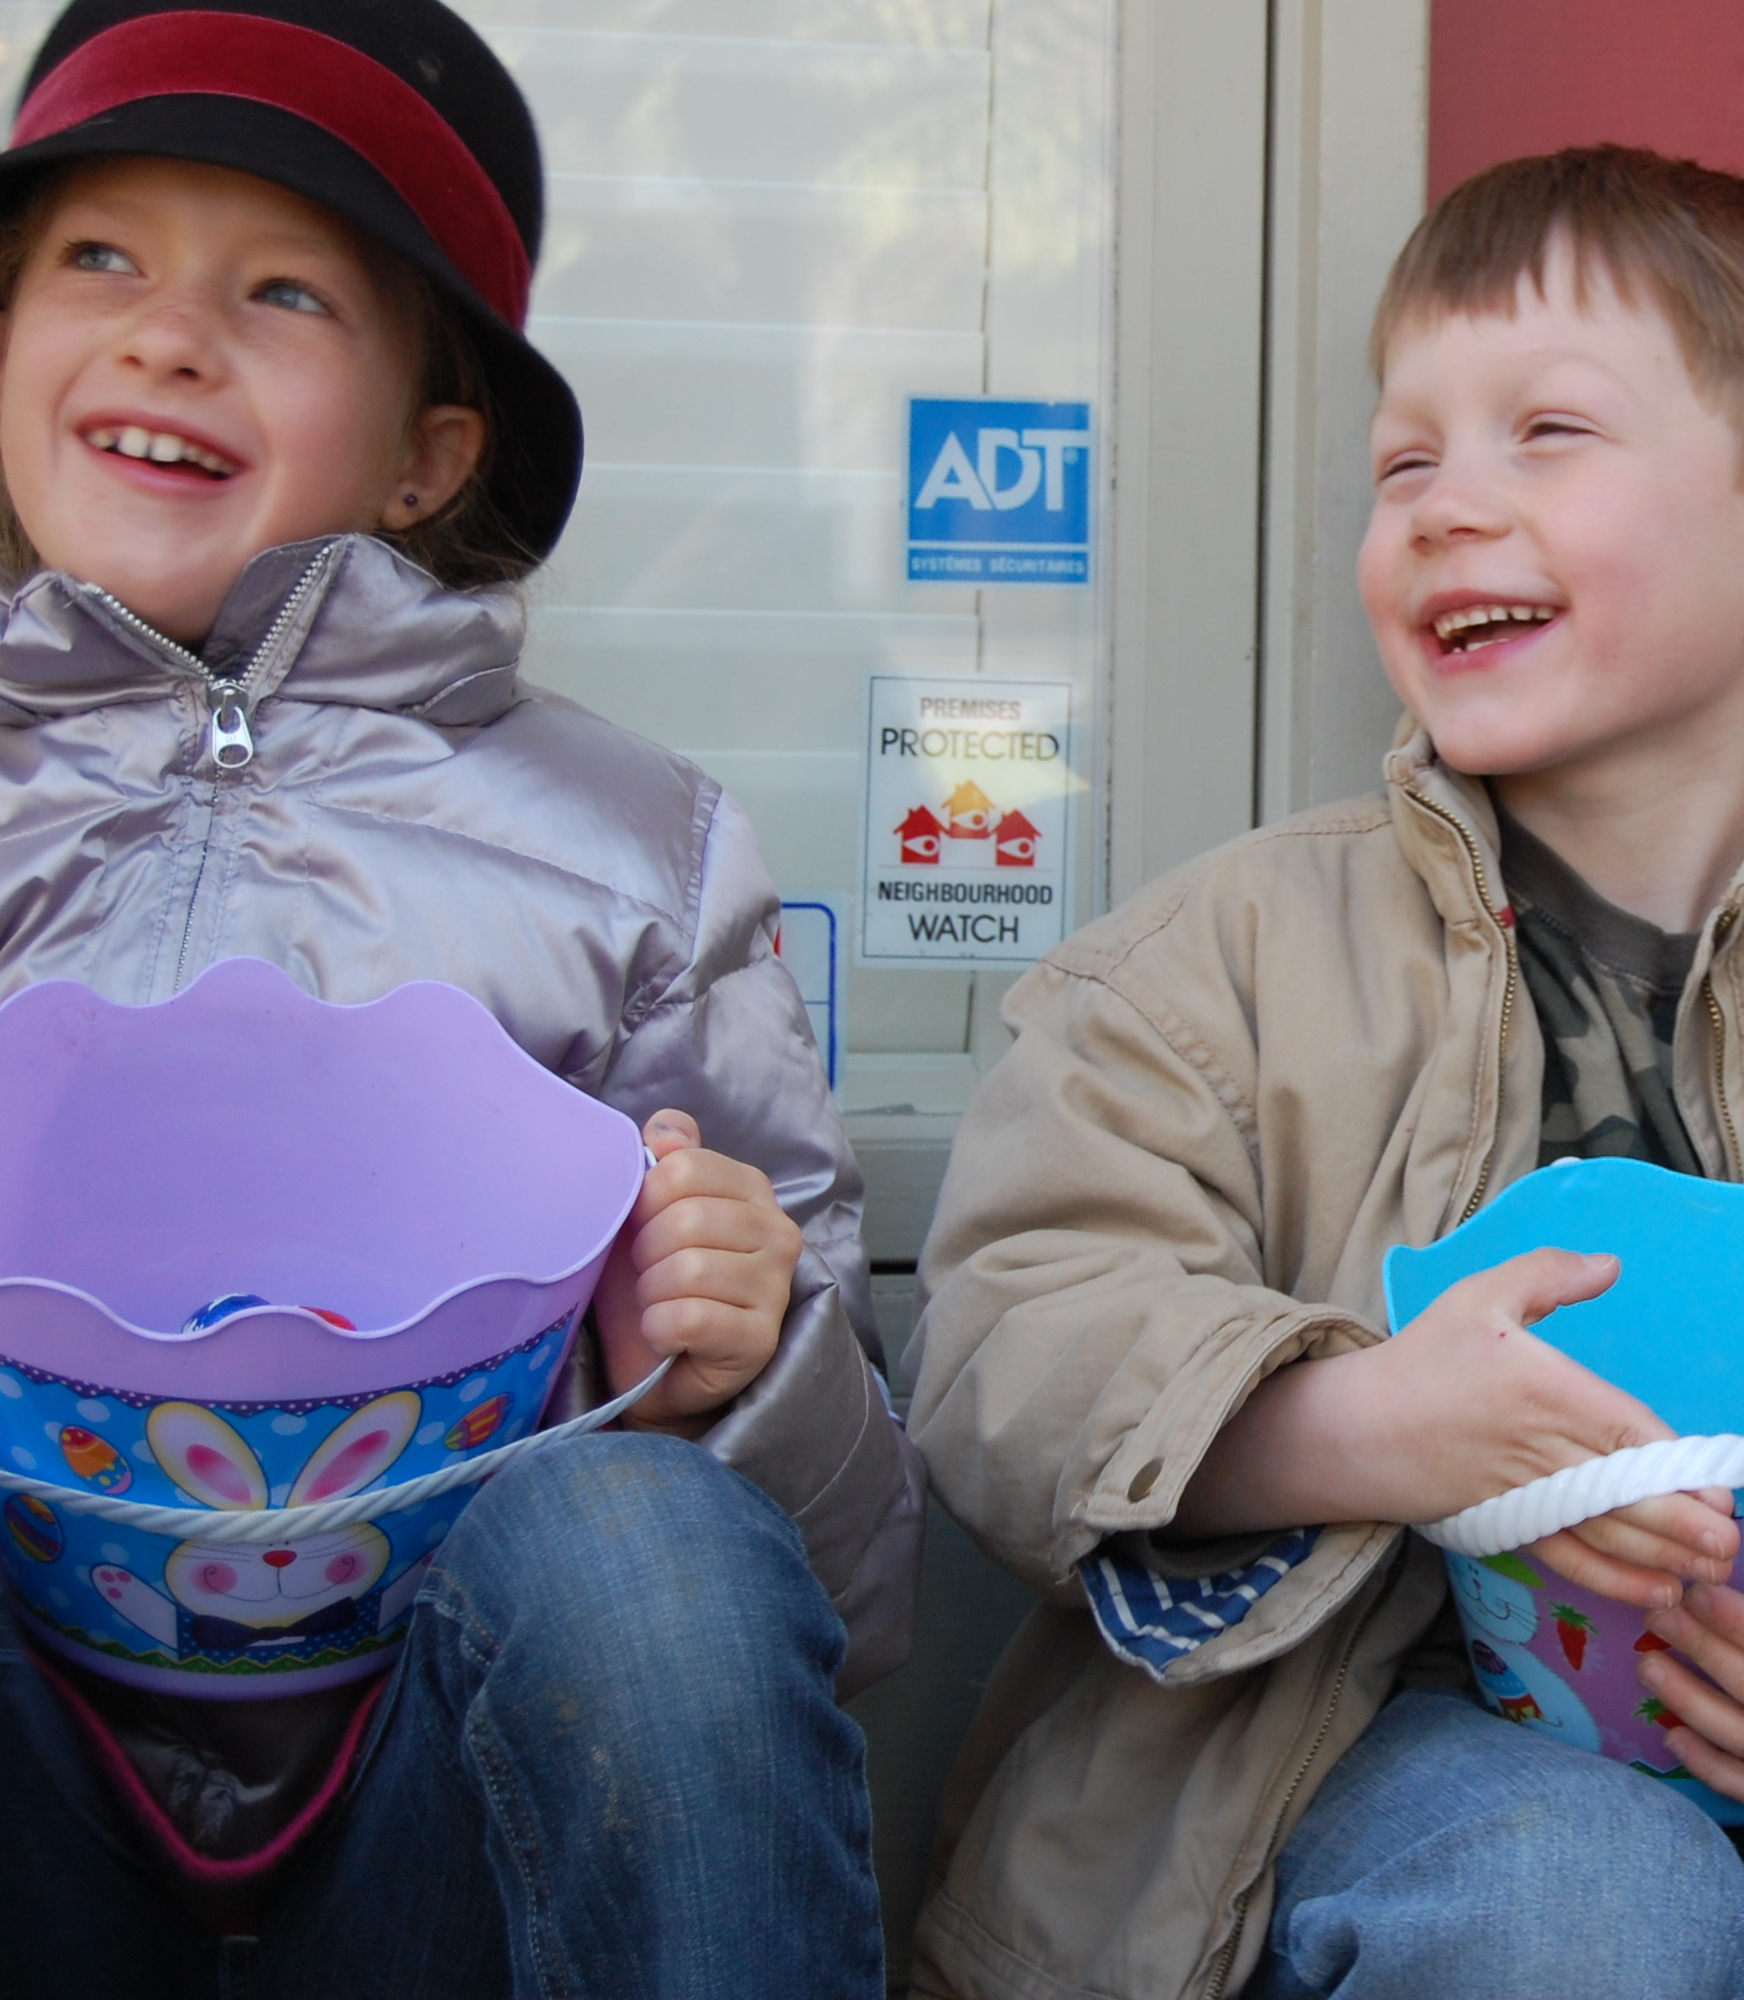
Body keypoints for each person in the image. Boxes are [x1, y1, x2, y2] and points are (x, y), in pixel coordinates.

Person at [910, 144, 1744, 2000]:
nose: (1444, 506)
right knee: (1579, 1901)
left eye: (1545, 432)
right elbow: (1016, 1335)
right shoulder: (1215, 967)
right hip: (1338, 1754)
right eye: (1404, 461)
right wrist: (1359, 1425)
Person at [0, 2, 921, 1993]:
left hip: (442, 1820)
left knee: (651, 1555)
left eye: (283, 290)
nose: (168, 335)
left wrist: (731, 1361)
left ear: (431, 453)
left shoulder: (631, 851)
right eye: (99, 255)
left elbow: (836, 1577)